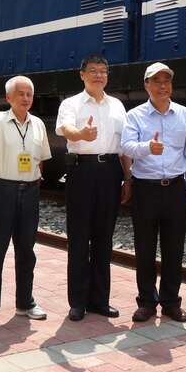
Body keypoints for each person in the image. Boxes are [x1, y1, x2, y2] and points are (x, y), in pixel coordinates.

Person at [56, 55, 130, 321]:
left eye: (103, 71)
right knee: (78, 237)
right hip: (82, 170)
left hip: (110, 171)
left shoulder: (118, 106)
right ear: (82, 74)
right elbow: (64, 129)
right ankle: (77, 301)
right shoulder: (71, 103)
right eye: (93, 71)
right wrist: (81, 134)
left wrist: (128, 178)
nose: (99, 75)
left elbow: (124, 146)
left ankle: (100, 300)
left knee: (104, 238)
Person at [121, 63, 186, 323]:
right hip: (145, 189)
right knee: (144, 248)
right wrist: (147, 148)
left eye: (167, 81)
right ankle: (147, 303)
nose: (163, 85)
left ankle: (171, 303)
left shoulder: (184, 113)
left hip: (175, 187)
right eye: (157, 81)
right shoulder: (134, 115)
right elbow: (126, 146)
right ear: (146, 85)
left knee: (174, 248)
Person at [0, 76, 52, 325]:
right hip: (2, 191)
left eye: (29, 93)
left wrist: (33, 180)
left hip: (29, 192)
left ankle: (25, 302)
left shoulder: (38, 123)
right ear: (9, 98)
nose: (26, 98)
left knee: (27, 250)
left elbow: (41, 158)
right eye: (20, 93)